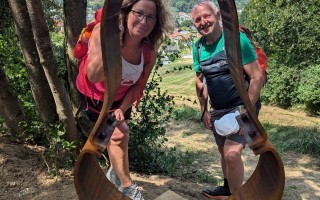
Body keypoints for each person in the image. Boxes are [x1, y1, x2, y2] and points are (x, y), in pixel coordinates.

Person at [75, 0, 173, 199]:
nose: (143, 21)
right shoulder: (101, 33)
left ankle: (116, 174)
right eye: (138, 13)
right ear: (126, 13)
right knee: (118, 134)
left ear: (156, 22)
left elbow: (138, 86)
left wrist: (123, 107)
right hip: (95, 96)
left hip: (122, 98)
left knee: (119, 136)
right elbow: (93, 75)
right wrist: (112, 42)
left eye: (150, 17)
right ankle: (127, 185)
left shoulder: (149, 50)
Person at [191, 0, 264, 198]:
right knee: (223, 152)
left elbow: (257, 76)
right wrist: (204, 110)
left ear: (217, 15)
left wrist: (247, 111)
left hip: (242, 107)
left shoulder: (236, 40)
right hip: (217, 110)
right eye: (197, 20)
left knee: (232, 154)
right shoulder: (197, 47)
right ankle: (226, 188)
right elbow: (200, 83)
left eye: (207, 16)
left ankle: (235, 196)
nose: (203, 22)